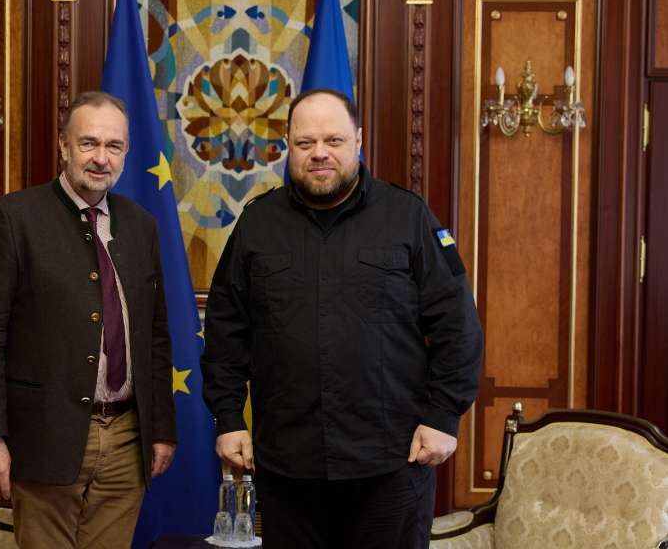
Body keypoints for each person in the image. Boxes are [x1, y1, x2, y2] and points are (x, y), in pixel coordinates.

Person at [201, 88, 483, 549]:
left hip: (391, 464)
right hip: (288, 467)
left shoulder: (407, 216)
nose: (319, 153)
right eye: (305, 142)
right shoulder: (257, 224)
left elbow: (458, 326)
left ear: (358, 141)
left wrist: (444, 415)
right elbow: (225, 331)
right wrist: (228, 416)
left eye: (333, 140)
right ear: (289, 147)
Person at [0, 91, 176, 549]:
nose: (101, 158)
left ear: (126, 153)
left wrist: (161, 428)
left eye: (114, 146)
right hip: (45, 436)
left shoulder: (141, 226)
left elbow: (154, 335)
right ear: (64, 146)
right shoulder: (15, 218)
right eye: (88, 143)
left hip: (127, 439)